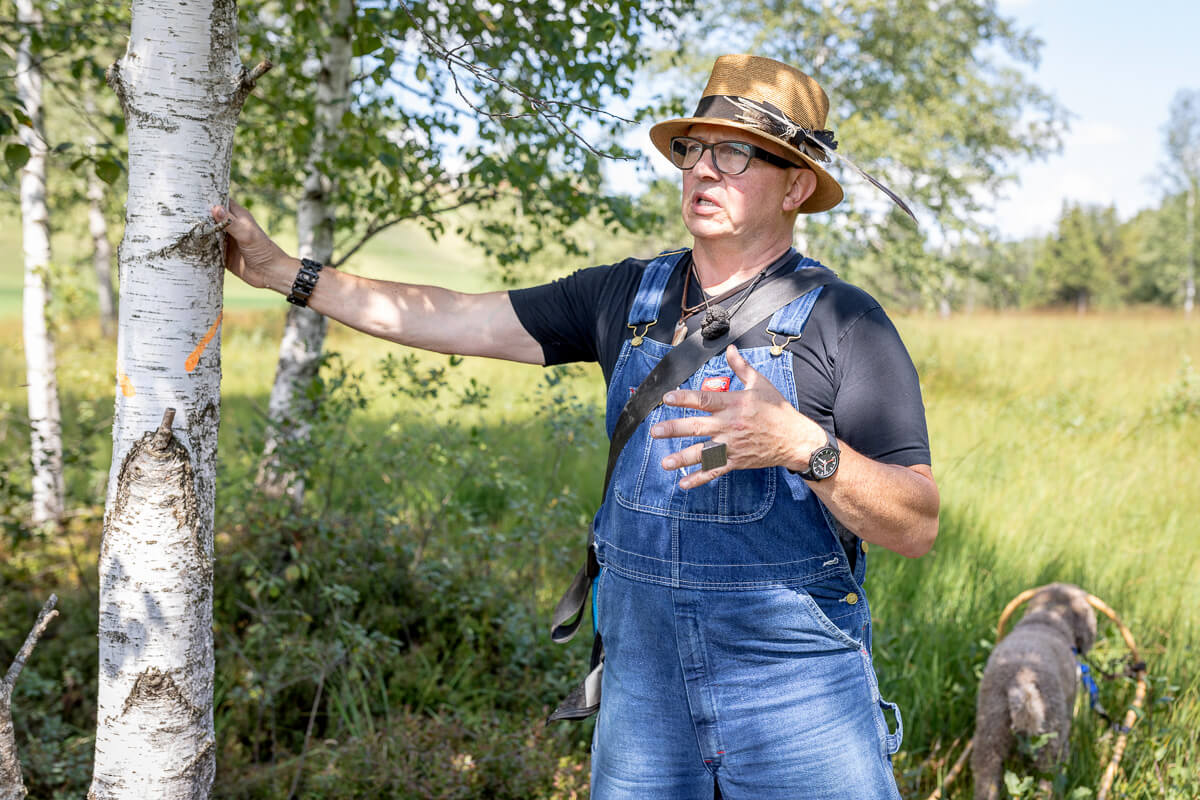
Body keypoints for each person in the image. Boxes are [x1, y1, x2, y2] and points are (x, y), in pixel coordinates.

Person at [216, 53, 939, 800]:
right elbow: (456, 317)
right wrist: (284, 273)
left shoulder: (846, 322)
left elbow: (916, 524)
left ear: (795, 185)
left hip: (797, 696)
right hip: (645, 695)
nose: (704, 171)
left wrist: (802, 446)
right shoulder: (625, 296)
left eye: (735, 154)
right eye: (694, 150)